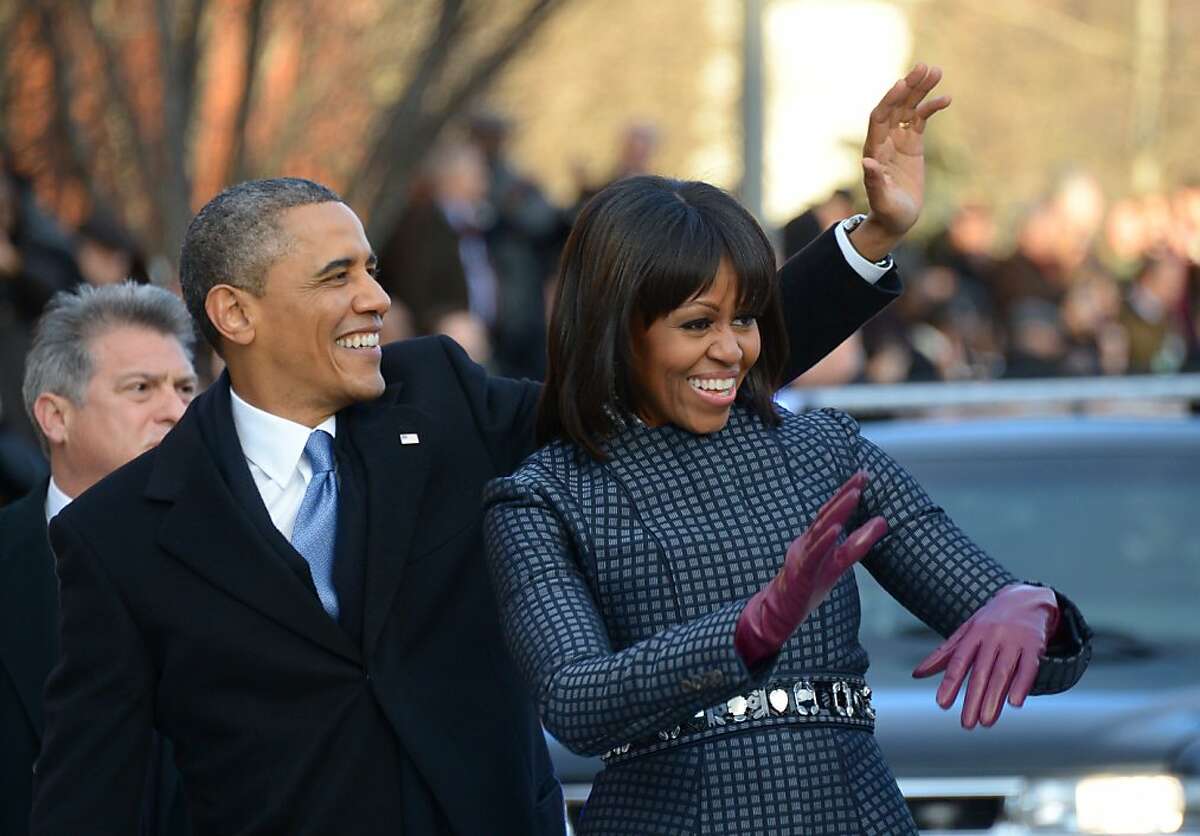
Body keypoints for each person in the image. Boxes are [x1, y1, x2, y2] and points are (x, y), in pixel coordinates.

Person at [30, 57, 921, 831]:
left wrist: (868, 242)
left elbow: (674, 372)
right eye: (337, 276)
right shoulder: (119, 536)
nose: (375, 298)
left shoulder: (446, 401)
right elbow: (92, 796)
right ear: (234, 312)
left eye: (372, 268)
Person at [482, 111, 1093, 836]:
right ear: (618, 328)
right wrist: (749, 629)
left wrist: (1038, 611)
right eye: (696, 323)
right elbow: (576, 701)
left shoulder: (823, 449)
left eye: (744, 319)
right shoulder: (542, 499)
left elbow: (997, 617)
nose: (731, 350)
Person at [1, 282, 195, 836]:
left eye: (186, 388)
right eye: (141, 388)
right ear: (55, 417)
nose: (175, 412)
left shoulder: (259, 564)